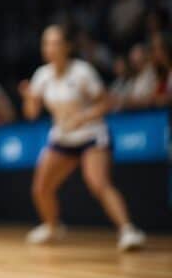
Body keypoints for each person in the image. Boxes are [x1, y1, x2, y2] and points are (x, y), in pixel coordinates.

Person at [18, 25, 146, 251]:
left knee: (97, 183)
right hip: (62, 138)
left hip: (91, 135)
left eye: (55, 42)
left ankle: (128, 230)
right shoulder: (42, 76)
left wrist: (83, 117)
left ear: (67, 47)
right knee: (41, 188)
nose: (50, 48)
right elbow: (31, 114)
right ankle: (52, 227)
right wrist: (28, 97)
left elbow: (107, 101)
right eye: (46, 43)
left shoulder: (82, 72)